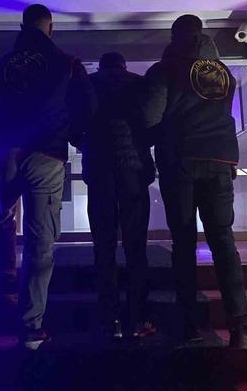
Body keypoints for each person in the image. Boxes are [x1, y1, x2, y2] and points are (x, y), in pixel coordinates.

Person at [141, 15, 247, 349]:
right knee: (223, 241)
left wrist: (158, 136)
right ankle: (241, 327)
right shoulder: (223, 73)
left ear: (174, 36)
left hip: (179, 162)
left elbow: (149, 116)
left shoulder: (164, 70)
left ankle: (188, 326)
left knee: (183, 243)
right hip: (220, 162)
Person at [0, 4, 96, 350]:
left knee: (2, 216)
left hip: (6, 149)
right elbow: (87, 106)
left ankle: (6, 284)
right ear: (51, 28)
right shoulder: (67, 63)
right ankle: (31, 327)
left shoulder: (0, 65)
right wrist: (71, 134)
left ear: (22, 27)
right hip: (47, 153)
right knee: (40, 239)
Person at [81, 52, 156, 340]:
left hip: (99, 169)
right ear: (123, 66)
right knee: (136, 246)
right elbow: (150, 123)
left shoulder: (89, 84)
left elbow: (75, 123)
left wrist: (87, 144)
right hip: (133, 170)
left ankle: (108, 318)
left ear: (101, 66)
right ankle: (137, 318)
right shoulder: (138, 83)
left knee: (104, 246)